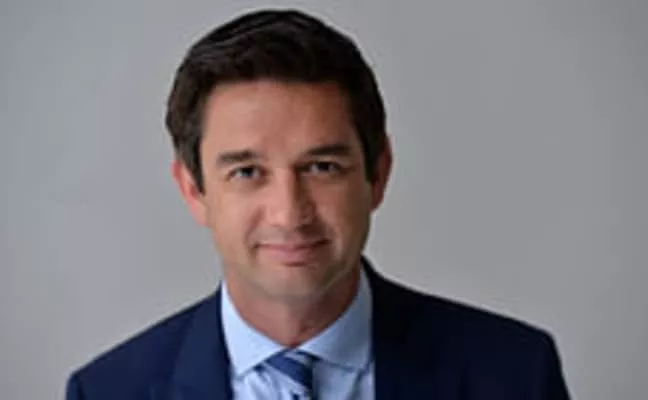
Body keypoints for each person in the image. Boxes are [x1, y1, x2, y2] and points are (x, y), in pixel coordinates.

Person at [66, 8, 570, 400]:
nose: (289, 214)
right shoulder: (107, 393)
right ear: (193, 190)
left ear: (378, 173)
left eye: (321, 167)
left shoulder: (514, 376)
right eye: (247, 172)